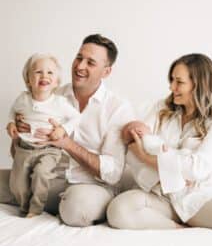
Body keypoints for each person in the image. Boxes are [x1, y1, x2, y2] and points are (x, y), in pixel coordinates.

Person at [1, 34, 134, 226]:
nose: (80, 66)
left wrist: (66, 143)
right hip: (46, 177)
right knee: (18, 180)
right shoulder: (50, 94)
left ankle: (36, 200)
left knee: (76, 208)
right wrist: (19, 136)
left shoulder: (118, 108)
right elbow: (18, 157)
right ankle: (35, 198)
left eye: (90, 62)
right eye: (79, 58)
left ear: (106, 72)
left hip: (90, 186)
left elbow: (112, 174)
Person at [107, 53, 212, 238]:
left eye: (179, 82)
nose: (172, 87)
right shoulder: (161, 109)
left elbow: (198, 169)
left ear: (199, 85)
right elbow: (131, 150)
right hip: (161, 196)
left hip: (199, 197)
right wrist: (170, 172)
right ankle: (178, 228)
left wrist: (147, 158)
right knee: (118, 211)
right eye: (171, 80)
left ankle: (193, 220)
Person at [6, 53, 81, 218]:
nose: (44, 76)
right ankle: (24, 206)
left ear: (56, 82)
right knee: (17, 183)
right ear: (28, 80)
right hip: (24, 149)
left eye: (50, 73)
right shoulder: (23, 99)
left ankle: (36, 208)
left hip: (49, 150)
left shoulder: (59, 103)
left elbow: (76, 117)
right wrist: (11, 123)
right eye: (38, 72)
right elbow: (13, 111)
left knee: (41, 173)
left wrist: (62, 129)